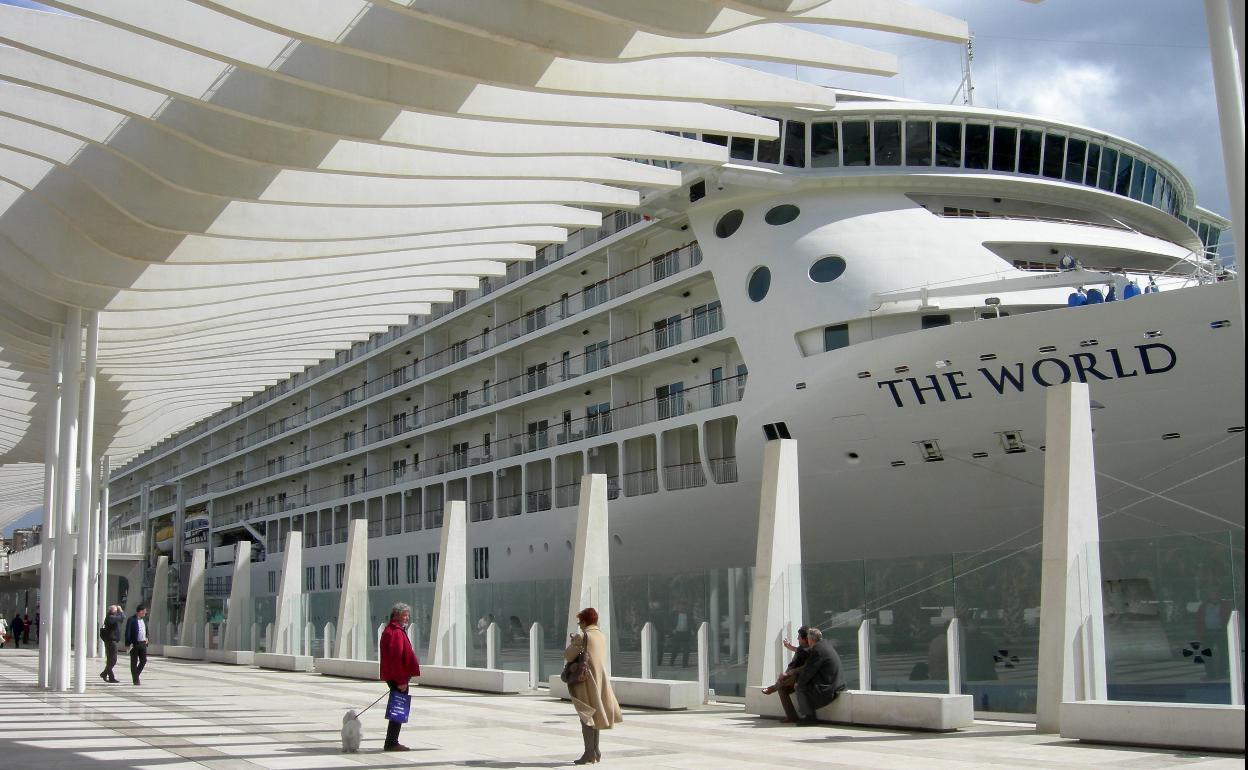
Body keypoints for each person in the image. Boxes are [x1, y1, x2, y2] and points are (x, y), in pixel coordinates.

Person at [565, 607, 621, 765]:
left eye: (580, 622)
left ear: (584, 621)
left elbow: (568, 655)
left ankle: (589, 752)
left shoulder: (584, 636)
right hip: (599, 679)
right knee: (594, 715)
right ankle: (595, 750)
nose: (579, 625)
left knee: (586, 716)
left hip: (586, 681)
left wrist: (574, 642)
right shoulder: (601, 635)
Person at [378, 602, 421, 752]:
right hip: (398, 678)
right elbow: (395, 659)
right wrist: (401, 681)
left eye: (408, 615)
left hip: (396, 677)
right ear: (396, 615)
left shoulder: (392, 630)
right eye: (404, 615)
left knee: (398, 708)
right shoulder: (395, 632)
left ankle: (391, 741)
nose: (407, 617)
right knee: (398, 708)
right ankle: (391, 742)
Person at [793, 627, 846, 726]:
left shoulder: (818, 650)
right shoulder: (824, 645)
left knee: (801, 687)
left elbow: (809, 671)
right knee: (803, 682)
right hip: (836, 682)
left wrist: (798, 683)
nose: (807, 641)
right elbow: (808, 658)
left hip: (830, 688)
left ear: (811, 639)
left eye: (808, 639)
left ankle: (810, 717)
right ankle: (807, 716)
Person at [762, 626, 811, 723]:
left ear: (805, 639)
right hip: (794, 679)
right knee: (782, 689)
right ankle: (792, 716)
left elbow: (805, 655)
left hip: (804, 679)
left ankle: (773, 687)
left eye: (799, 637)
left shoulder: (811, 649)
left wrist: (790, 647)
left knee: (789, 678)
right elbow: (794, 663)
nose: (797, 638)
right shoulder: (801, 648)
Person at [99, 605, 125, 683]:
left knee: (111, 660)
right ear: (113, 611)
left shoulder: (110, 617)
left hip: (111, 641)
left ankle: (108, 675)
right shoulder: (110, 617)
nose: (117, 612)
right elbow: (122, 617)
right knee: (113, 660)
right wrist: (121, 610)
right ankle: (105, 674)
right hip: (111, 641)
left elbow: (121, 619)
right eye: (116, 611)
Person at [125, 604, 148, 685]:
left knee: (144, 660)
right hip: (134, 643)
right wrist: (127, 643)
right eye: (144, 612)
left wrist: (147, 638)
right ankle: (136, 679)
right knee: (134, 661)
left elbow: (146, 630)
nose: (145, 613)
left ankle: (136, 675)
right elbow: (127, 632)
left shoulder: (144, 620)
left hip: (143, 643)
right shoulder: (131, 619)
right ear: (140, 611)